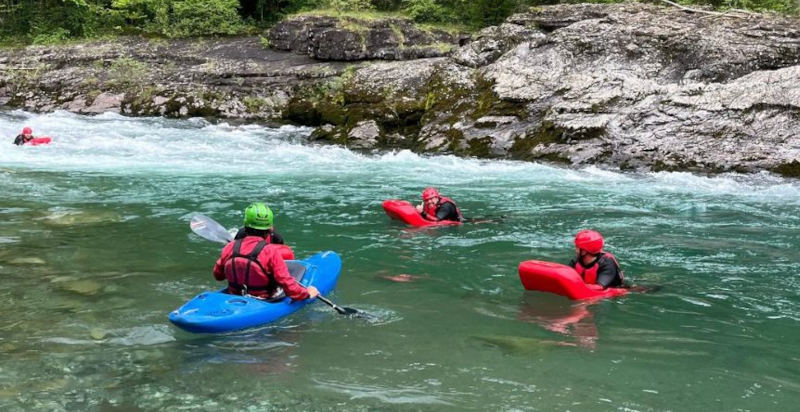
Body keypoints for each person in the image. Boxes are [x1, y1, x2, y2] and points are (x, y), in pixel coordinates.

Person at [213, 202, 318, 300]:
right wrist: (307, 294)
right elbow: (288, 286)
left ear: (245, 225)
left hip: (234, 296)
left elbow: (218, 275)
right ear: (270, 228)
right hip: (263, 300)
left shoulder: (229, 247)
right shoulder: (271, 251)